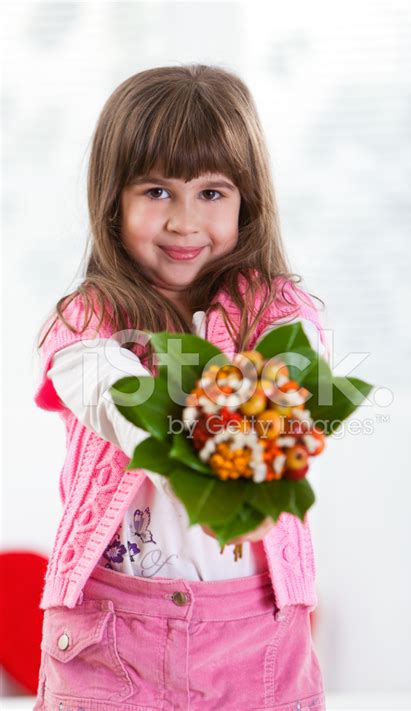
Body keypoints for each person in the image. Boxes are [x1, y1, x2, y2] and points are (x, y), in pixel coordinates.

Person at [33, 64, 330, 711]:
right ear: (114, 199)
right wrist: (216, 460)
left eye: (212, 192)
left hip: (254, 632)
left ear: (248, 199)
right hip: (112, 631)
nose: (185, 221)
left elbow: (296, 406)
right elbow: (121, 402)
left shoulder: (281, 315)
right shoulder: (87, 320)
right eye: (158, 192)